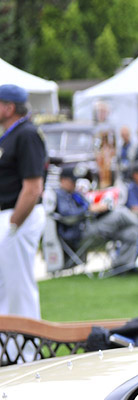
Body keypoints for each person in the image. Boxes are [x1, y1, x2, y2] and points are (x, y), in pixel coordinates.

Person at [0, 84, 46, 319]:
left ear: (9, 107)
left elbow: (33, 187)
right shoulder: (12, 135)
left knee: (18, 287)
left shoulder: (26, 134)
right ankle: (8, 350)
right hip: (11, 215)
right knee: (6, 287)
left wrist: (14, 224)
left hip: (19, 215)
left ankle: (27, 352)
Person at [54, 167, 138, 271]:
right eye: (72, 181)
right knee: (119, 212)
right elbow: (68, 215)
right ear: (62, 180)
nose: (74, 184)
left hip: (92, 226)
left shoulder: (75, 194)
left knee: (131, 231)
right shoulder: (59, 194)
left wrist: (100, 208)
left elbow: (89, 206)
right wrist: (88, 209)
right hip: (79, 232)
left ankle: (123, 267)